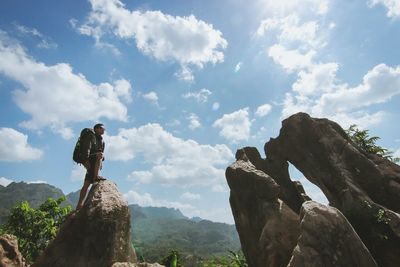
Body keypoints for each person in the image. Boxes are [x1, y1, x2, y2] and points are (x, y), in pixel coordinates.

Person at [76, 123, 106, 210]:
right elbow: (87, 149)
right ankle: (96, 176)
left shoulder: (101, 140)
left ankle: (79, 205)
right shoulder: (91, 136)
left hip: (94, 161)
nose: (103, 130)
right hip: (89, 159)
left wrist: (101, 160)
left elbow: (101, 154)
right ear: (96, 129)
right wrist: (86, 161)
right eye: (102, 128)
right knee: (87, 184)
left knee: (87, 183)